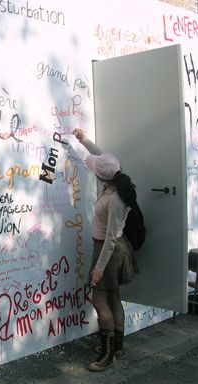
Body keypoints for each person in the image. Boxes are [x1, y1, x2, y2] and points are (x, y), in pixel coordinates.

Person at [73, 128, 136, 372]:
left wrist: (98, 270)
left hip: (108, 251)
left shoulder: (115, 200)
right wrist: (83, 140)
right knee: (113, 297)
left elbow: (110, 239)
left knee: (100, 299)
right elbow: (102, 157)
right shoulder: (115, 177)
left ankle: (107, 354)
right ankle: (118, 346)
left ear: (103, 177)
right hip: (108, 249)